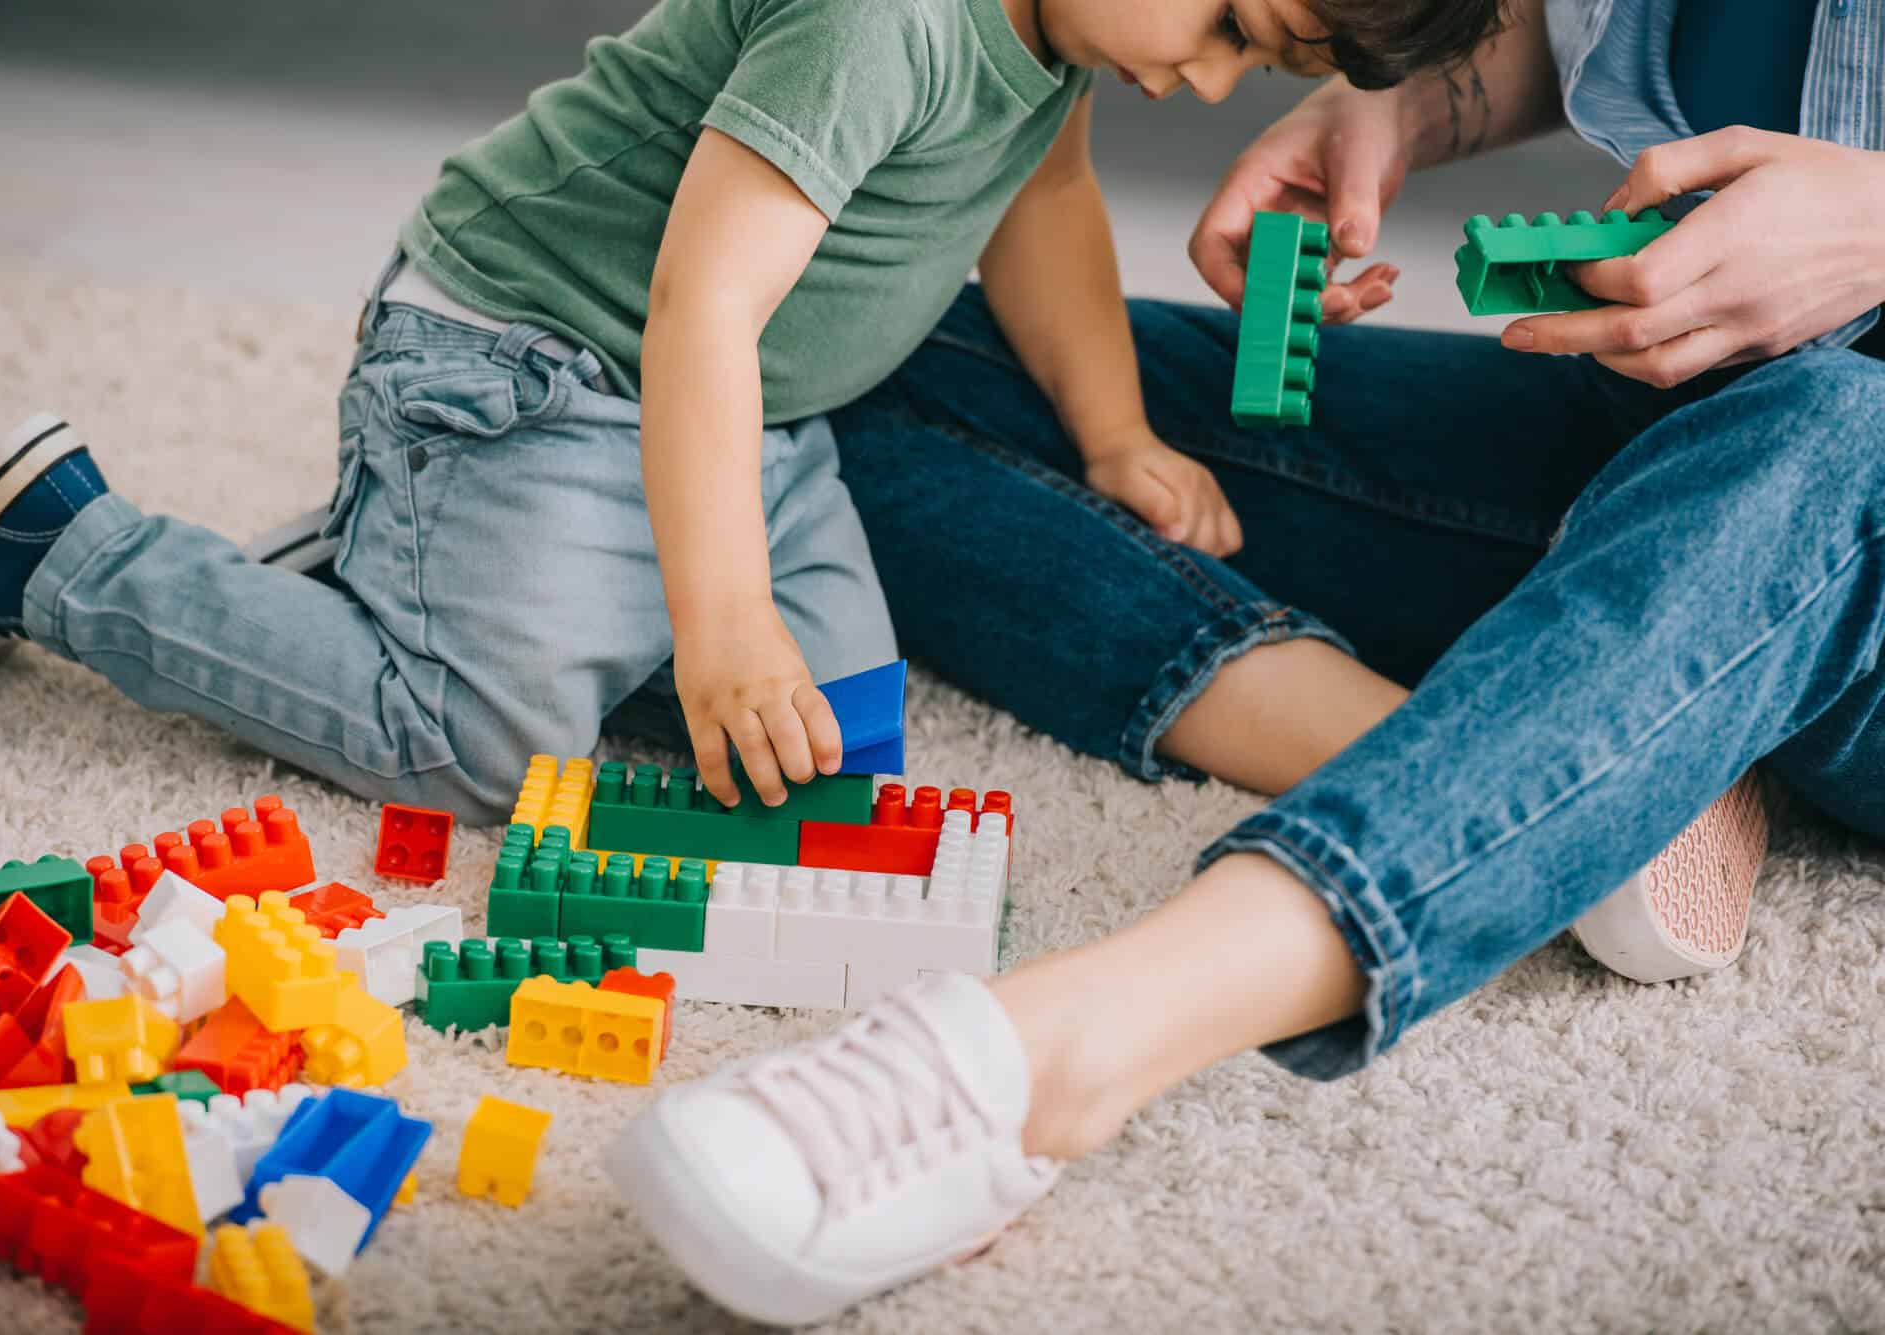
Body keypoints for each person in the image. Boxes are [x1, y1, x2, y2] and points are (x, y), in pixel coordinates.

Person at [606, 0, 1885, 1324]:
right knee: (871, 351)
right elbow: (1582, 32)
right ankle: (1587, 751)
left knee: (1839, 425)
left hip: (1858, 463)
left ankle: (1060, 1058)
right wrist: (1390, 110)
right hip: (1662, 415)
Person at [0, 0, 1418, 824]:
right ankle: (65, 551)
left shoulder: (1064, 31)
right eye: (1228, 20)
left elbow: (1048, 199)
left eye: (1260, 59)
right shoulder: (878, 22)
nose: (1210, 85)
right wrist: (725, 620)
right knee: (480, 749)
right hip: (529, 367)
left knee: (833, 746)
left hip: (754, 417)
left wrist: (1114, 439)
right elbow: (703, 308)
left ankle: (400, 578)